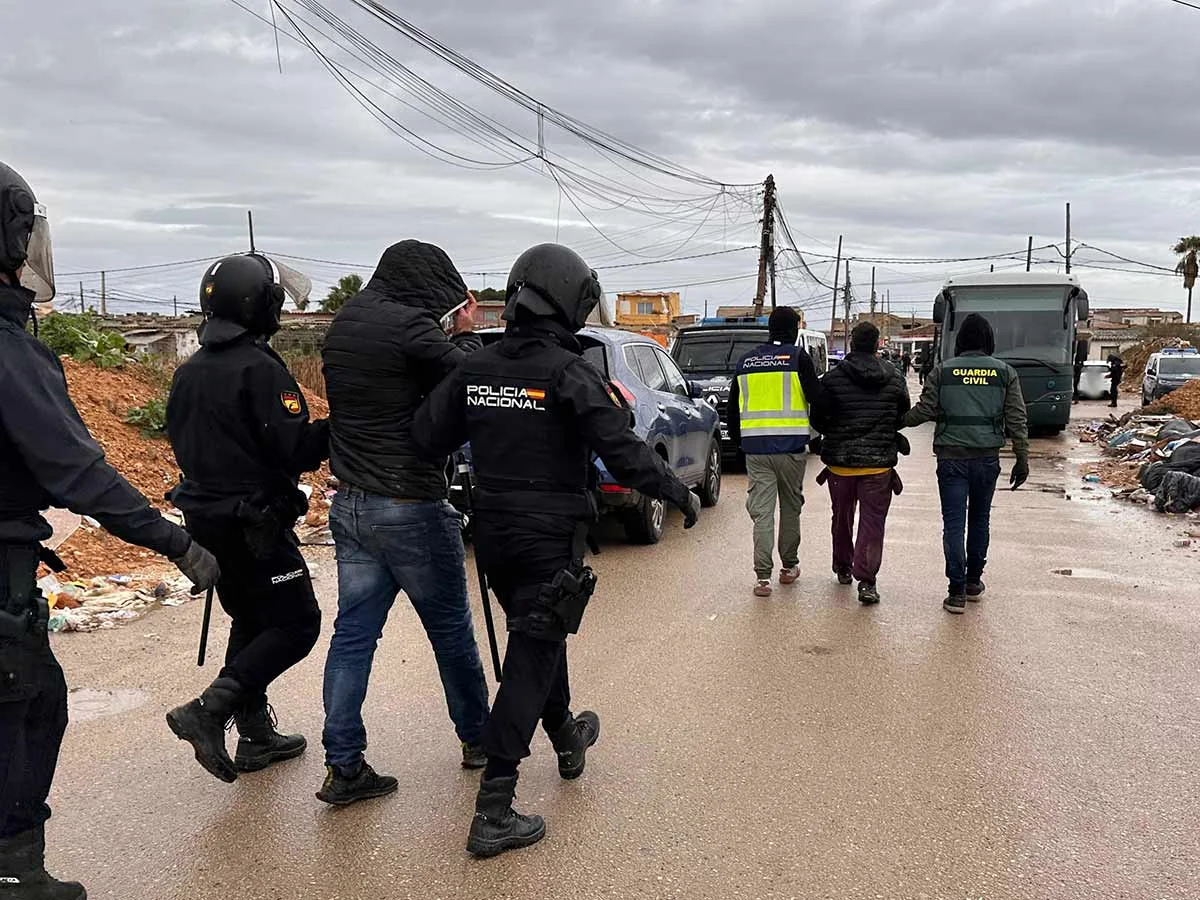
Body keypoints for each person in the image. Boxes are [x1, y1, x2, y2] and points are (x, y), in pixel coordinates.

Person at [414, 243, 700, 858]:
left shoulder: (475, 368)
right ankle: (494, 805)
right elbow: (623, 452)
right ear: (569, 300)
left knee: (539, 638)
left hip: (493, 538)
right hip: (547, 539)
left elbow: (426, 435)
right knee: (530, 656)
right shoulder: (572, 372)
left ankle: (567, 735)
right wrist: (677, 491)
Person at [0, 161, 219, 899]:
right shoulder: (9, 355)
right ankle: (14, 872)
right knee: (28, 712)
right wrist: (177, 543)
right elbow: (81, 473)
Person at [317, 240, 490, 806]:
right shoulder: (413, 328)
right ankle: (479, 741)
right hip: (410, 506)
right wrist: (463, 328)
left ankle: (343, 766)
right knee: (451, 635)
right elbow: (470, 374)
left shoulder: (346, 321)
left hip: (351, 506)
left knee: (353, 637)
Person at [164, 254, 330, 784]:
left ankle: (254, 733)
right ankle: (210, 710)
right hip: (251, 524)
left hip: (204, 522)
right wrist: (343, 422)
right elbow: (296, 450)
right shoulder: (259, 368)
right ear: (261, 305)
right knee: (297, 623)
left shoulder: (189, 371)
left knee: (253, 619)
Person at [903, 313, 1029, 614]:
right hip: (987, 459)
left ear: (959, 341)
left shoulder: (943, 371)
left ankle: (956, 591)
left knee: (954, 523)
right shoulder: (1005, 373)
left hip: (951, 460)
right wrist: (1022, 458)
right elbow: (1016, 419)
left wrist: (895, 421)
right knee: (980, 520)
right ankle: (973, 582)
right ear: (989, 340)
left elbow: (924, 410)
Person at [811, 322, 910, 604]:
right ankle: (866, 581)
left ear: (852, 344)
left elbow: (817, 419)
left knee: (842, 517)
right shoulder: (894, 377)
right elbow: (902, 413)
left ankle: (843, 566)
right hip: (878, 467)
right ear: (878, 345)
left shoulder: (831, 379)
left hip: (840, 465)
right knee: (873, 522)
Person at [727, 306, 822, 597]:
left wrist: (739, 440)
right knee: (791, 508)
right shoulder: (798, 358)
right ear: (794, 330)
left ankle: (762, 578)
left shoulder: (746, 361)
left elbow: (733, 407)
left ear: (770, 329)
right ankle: (788, 567)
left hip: (756, 450)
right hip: (792, 448)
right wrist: (818, 434)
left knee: (763, 513)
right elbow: (817, 399)